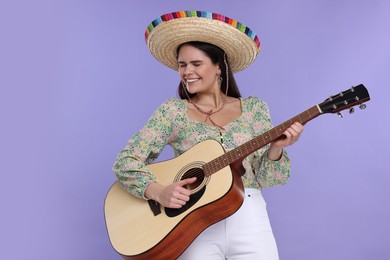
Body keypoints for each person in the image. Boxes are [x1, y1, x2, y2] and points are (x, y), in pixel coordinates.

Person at [113, 11, 304, 259]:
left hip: (249, 217)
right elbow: (125, 161)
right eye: (182, 65)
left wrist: (276, 149)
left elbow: (270, 179)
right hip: (194, 222)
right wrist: (158, 192)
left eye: (196, 63)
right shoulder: (173, 112)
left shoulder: (255, 110)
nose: (186, 72)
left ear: (219, 66)